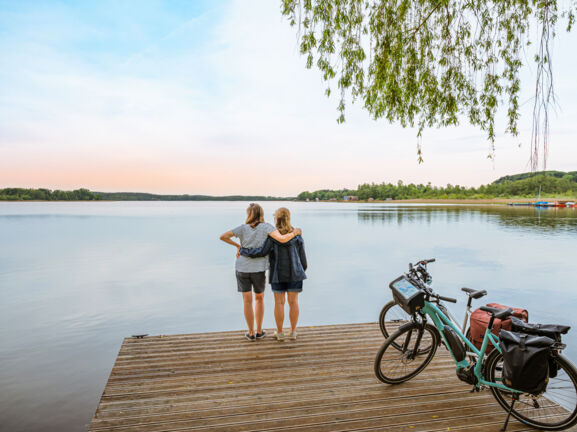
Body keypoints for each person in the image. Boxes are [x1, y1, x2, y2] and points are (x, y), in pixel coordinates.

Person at [219, 203, 301, 341]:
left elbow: (223, 236)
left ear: (248, 214)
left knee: (247, 301)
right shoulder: (267, 228)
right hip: (261, 269)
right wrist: (296, 232)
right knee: (261, 299)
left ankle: (252, 333)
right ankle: (263, 331)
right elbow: (284, 241)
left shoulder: (242, 228)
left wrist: (238, 246)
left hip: (242, 268)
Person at [240, 207, 307, 341]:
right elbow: (303, 260)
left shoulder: (272, 236)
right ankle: (293, 332)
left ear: (276, 219)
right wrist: (300, 271)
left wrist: (244, 251)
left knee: (279, 303)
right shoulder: (297, 235)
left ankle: (280, 333)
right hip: (295, 273)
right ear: (289, 218)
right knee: (293, 302)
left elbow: (260, 252)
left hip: (278, 274)